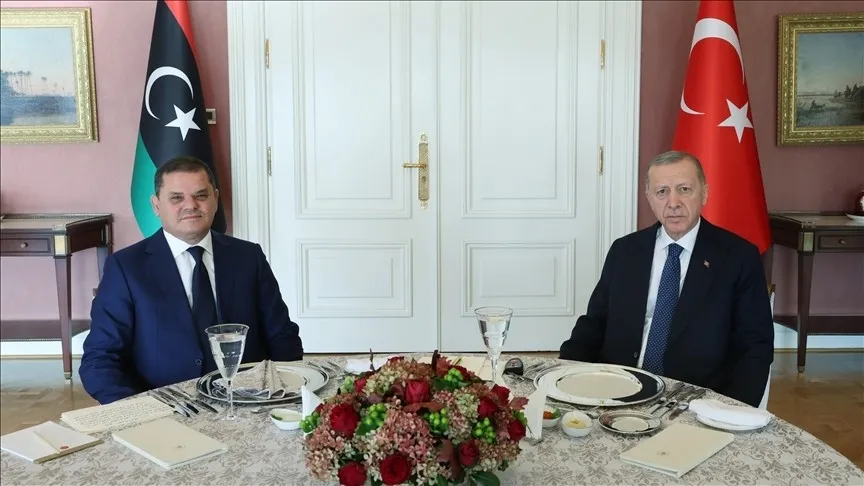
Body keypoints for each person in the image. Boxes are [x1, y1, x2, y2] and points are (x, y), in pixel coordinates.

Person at [80, 156, 303, 404]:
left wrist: (285, 396)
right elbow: (100, 358)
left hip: (248, 401)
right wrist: (139, 412)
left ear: (215, 199)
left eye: (201, 195)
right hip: (164, 408)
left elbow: (282, 336)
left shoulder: (249, 257)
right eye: (177, 198)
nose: (191, 205)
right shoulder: (126, 267)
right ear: (156, 205)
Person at [559, 150, 773, 407]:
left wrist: (731, 411)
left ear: (704, 193)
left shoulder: (738, 257)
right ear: (649, 197)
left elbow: (754, 347)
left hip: (695, 400)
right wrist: (564, 377)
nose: (673, 202)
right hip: (616, 388)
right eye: (662, 192)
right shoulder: (625, 250)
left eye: (684, 189)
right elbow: (593, 324)